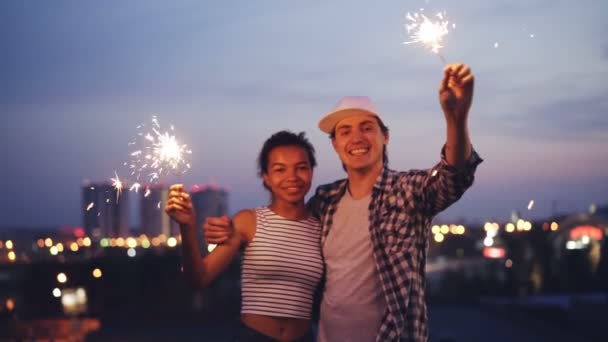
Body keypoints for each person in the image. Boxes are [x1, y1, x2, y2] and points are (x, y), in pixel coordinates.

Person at [206, 63, 482, 342]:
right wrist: (234, 233)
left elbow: (453, 176)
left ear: (385, 136)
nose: (356, 138)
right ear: (335, 144)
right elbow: (285, 227)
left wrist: (455, 120)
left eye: (366, 128)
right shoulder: (325, 200)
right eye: (345, 131)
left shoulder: (408, 191)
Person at [165, 131, 324, 342]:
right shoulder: (248, 221)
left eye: (301, 168)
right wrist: (187, 227)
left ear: (312, 172)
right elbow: (199, 279)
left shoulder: (321, 228)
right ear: (266, 177)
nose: (292, 177)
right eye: (279, 169)